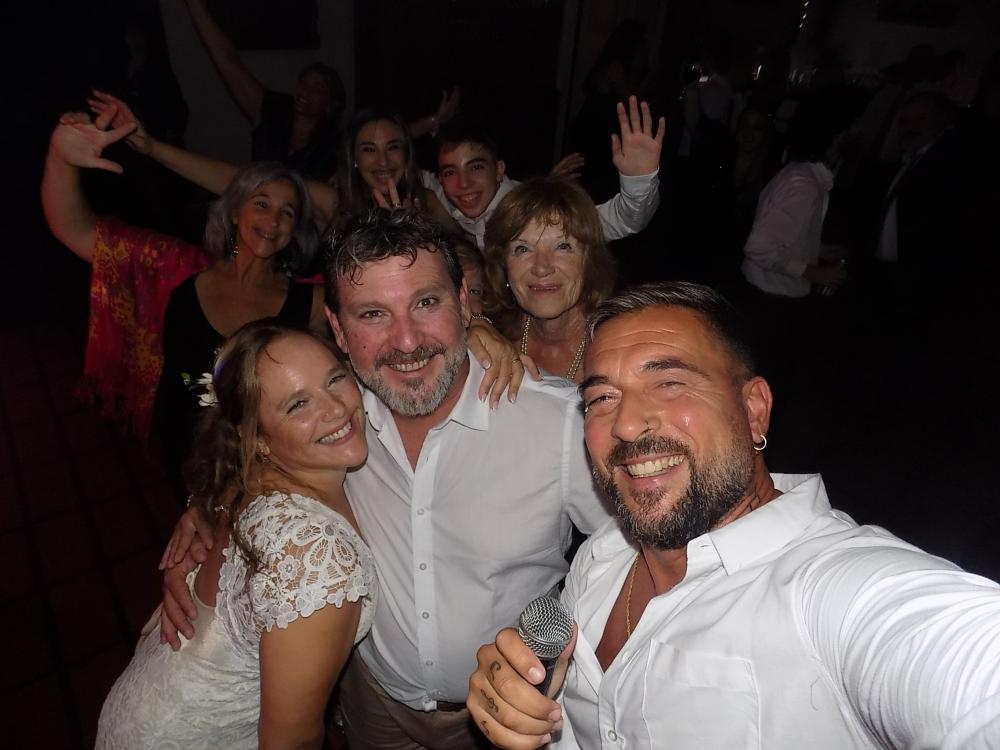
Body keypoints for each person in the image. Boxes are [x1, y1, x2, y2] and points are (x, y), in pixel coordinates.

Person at [467, 282, 1000, 750]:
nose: (626, 424)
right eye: (602, 397)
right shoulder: (600, 556)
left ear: (753, 410)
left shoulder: (833, 590)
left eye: (669, 383)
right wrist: (519, 702)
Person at [159, 209, 612, 749]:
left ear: (464, 302)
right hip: (370, 697)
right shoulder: (334, 418)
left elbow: (632, 558)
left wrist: (582, 661)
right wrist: (204, 519)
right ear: (338, 329)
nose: (406, 341)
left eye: (426, 303)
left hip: (500, 719)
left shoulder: (559, 424)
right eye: (373, 314)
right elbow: (255, 453)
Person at [97, 320, 377, 748]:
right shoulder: (317, 562)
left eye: (335, 378)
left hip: (146, 703)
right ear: (257, 438)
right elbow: (291, 742)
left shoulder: (244, 477)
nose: (336, 409)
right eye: (298, 404)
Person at [41, 107, 326, 490]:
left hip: (274, 477)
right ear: (235, 212)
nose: (273, 220)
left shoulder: (311, 302)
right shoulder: (180, 271)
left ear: (295, 229)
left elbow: (344, 209)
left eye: (287, 212)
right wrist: (60, 158)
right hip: (192, 466)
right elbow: (76, 231)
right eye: (261, 203)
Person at [88, 91, 455, 229]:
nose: (383, 161)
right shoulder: (338, 202)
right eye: (369, 149)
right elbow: (242, 180)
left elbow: (467, 257)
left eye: (393, 147)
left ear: (407, 154)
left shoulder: (429, 201)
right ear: (354, 159)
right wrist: (151, 147)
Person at [422, 95, 664, 248]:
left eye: (476, 167)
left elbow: (623, 221)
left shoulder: (534, 211)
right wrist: (432, 125)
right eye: (450, 172)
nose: (463, 183)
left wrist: (639, 180)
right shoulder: (446, 195)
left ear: (499, 170)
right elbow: (418, 174)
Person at [181, 0, 346, 179]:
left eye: (317, 88)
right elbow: (228, 61)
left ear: (330, 104)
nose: (306, 91)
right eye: (303, 83)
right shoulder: (273, 111)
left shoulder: (333, 147)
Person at [483, 177, 616, 382]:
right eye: (523, 249)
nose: (542, 268)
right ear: (503, 264)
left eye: (562, 247)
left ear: (589, 260)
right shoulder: (491, 341)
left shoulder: (619, 346)